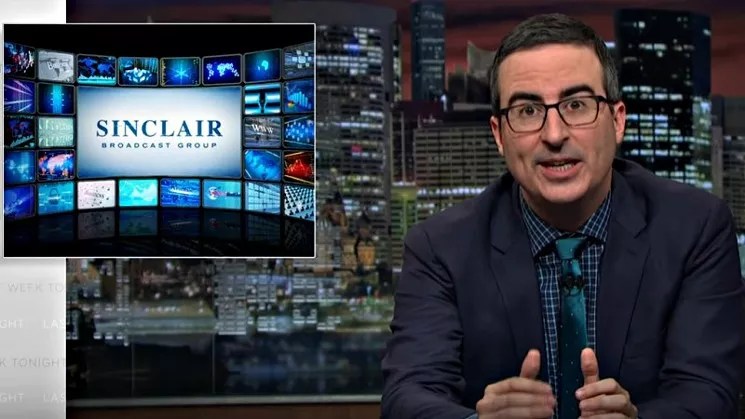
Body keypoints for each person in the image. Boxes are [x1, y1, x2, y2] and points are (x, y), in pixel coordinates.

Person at [381, 13, 745, 419]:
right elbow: (407, 396)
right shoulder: (439, 247)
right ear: (499, 134)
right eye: (527, 110)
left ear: (617, 120)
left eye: (576, 105)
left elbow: (709, 393)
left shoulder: (695, 228)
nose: (554, 135)